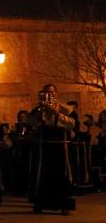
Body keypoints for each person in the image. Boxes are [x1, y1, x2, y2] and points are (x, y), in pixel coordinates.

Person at [28, 85, 76, 213]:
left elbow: (72, 124)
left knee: (62, 175)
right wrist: (39, 112)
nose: (49, 95)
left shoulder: (66, 109)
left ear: (56, 94)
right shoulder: (38, 109)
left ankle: (64, 205)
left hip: (61, 146)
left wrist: (57, 115)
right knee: (42, 175)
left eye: (51, 93)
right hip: (44, 147)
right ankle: (40, 204)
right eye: (46, 93)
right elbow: (31, 123)